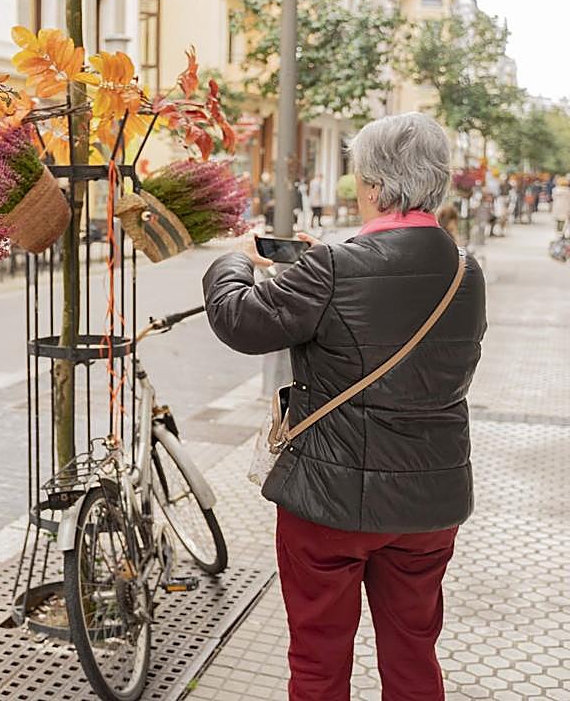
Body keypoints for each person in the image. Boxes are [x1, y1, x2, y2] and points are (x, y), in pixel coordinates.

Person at [202, 112, 486, 701]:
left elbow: (239, 319)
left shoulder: (331, 269)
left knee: (319, 660)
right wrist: (321, 260)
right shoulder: (466, 270)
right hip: (430, 502)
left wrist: (234, 259)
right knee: (413, 655)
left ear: (378, 187)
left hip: (329, 503)